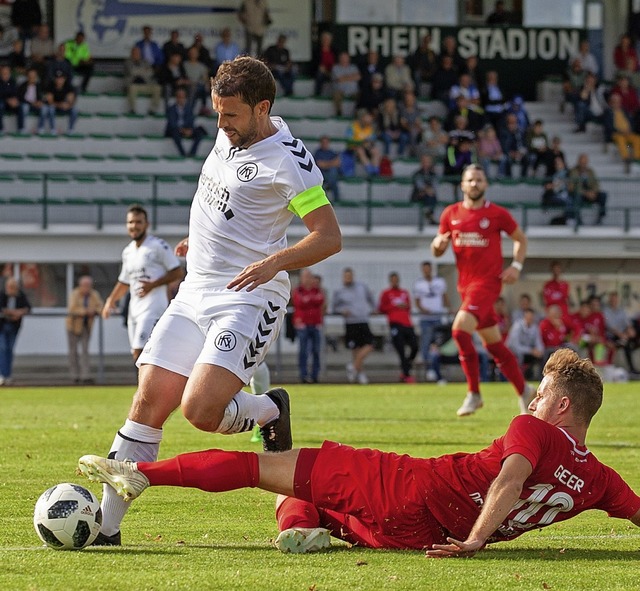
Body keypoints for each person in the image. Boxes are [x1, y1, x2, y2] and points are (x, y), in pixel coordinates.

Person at [91, 56, 342, 546]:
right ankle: (106, 528)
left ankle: (268, 409)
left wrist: (274, 262)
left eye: (230, 115)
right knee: (147, 400)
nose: (220, 124)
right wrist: (198, 243)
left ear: (261, 107)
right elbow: (219, 199)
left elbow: (328, 238)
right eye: (217, 112)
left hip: (247, 298)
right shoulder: (233, 133)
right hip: (193, 291)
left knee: (201, 411)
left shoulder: (286, 161)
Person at [79, 349, 640, 556]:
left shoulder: (535, 430)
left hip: (410, 486)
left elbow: (511, 478)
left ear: (562, 406)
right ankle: (304, 523)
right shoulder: (600, 479)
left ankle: (141, 473)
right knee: (304, 499)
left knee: (266, 470)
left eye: (542, 394)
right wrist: (475, 534)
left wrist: (474, 541)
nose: (534, 399)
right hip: (416, 536)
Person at [431, 164, 533, 417]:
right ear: (462, 185)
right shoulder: (450, 213)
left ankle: (474, 393)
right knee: (494, 346)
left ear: (485, 184)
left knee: (459, 331)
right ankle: (525, 391)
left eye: (479, 180)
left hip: (487, 284)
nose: (474, 184)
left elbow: (520, 238)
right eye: (470, 180)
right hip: (465, 287)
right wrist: (438, 244)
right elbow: (436, 250)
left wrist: (517, 266)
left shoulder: (497, 214)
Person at [102, 204, 184, 363]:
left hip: (153, 308)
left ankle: (146, 388)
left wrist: (152, 285)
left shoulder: (157, 246)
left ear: (147, 224)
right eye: (131, 222)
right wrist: (110, 300)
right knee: (139, 353)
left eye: (139, 222)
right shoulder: (128, 251)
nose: (134, 226)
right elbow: (124, 281)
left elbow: (177, 272)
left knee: (140, 352)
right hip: (134, 310)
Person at [333, 267, 376, 385]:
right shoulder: (340, 291)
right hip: (351, 323)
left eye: (350, 276)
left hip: (362, 320)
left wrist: (373, 309)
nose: (348, 278)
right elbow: (335, 307)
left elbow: (371, 299)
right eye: (346, 276)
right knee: (355, 350)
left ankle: (353, 366)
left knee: (370, 344)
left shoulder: (361, 287)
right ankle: (359, 373)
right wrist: (342, 311)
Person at [379, 272, 419, 383]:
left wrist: (404, 306)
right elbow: (381, 307)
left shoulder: (404, 292)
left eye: (396, 279)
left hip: (407, 323)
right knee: (400, 349)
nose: (395, 282)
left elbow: (409, 306)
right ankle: (406, 375)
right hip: (395, 323)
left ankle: (407, 365)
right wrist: (394, 306)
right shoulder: (386, 293)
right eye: (393, 280)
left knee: (415, 346)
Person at [413, 261, 449, 383]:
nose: (426, 271)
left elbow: (444, 297)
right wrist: (424, 310)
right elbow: (417, 301)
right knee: (426, 344)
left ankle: (436, 368)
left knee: (438, 344)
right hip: (425, 319)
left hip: (437, 317)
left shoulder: (439, 282)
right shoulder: (419, 284)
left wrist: (448, 309)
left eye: (428, 269)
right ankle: (429, 369)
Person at [66, 275, 104, 384]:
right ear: (80, 285)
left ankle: (85, 375)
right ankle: (74, 375)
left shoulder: (94, 294)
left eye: (89, 286)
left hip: (86, 326)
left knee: (85, 350)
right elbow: (72, 309)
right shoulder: (74, 294)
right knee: (73, 351)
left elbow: (100, 306)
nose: (87, 288)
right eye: (85, 286)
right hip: (73, 326)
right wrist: (85, 311)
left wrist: (94, 311)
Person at [292, 268, 325, 384]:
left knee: (316, 350)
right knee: (303, 351)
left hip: (315, 323)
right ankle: (303, 375)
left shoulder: (317, 290)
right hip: (302, 324)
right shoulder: (298, 290)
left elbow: (320, 301)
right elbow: (300, 303)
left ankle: (315, 375)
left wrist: (308, 301)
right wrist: (311, 301)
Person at [0, 277, 31, 385]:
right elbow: (2, 308)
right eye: (10, 287)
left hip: (14, 327)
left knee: (10, 350)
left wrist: (20, 312)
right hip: (2, 326)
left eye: (14, 287)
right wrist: (12, 313)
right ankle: (2, 374)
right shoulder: (2, 295)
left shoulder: (20, 295)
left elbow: (28, 308)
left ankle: (8, 375)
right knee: (3, 349)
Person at [164, 87, 207, 157]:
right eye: (179, 97)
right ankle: (182, 153)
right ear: (176, 98)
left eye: (182, 97)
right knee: (175, 133)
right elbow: (172, 123)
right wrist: (182, 130)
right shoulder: (171, 109)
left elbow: (191, 120)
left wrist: (189, 130)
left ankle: (192, 153)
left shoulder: (188, 108)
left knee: (199, 133)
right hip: (175, 130)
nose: (181, 99)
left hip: (186, 129)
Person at [603, 291, 639, 374]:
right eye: (612, 299)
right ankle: (610, 370)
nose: (614, 301)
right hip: (611, 336)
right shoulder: (606, 311)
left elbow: (627, 323)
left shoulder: (621, 310)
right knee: (617, 343)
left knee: (629, 343)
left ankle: (631, 369)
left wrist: (630, 330)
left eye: (615, 299)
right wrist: (621, 334)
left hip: (622, 336)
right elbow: (609, 326)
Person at [567, 153, 608, 225]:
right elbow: (572, 187)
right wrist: (585, 193)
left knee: (603, 195)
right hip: (581, 194)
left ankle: (601, 217)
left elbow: (596, 184)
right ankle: (578, 220)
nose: (583, 164)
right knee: (577, 198)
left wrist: (593, 192)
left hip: (591, 194)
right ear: (578, 162)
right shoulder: (573, 171)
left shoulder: (590, 171)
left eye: (585, 162)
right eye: (582, 162)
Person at [506, 307, 544, 380]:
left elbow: (539, 342)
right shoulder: (517, 326)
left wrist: (539, 351)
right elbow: (515, 346)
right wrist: (531, 351)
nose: (530, 319)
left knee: (542, 356)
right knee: (519, 356)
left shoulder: (535, 327)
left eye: (531, 317)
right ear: (524, 317)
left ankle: (539, 378)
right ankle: (518, 378)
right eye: (528, 317)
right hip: (514, 351)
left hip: (528, 352)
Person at [124, 45, 162, 115]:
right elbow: (132, 71)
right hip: (133, 85)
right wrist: (144, 71)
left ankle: (153, 109)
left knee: (157, 88)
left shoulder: (145, 62)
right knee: (132, 88)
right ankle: (132, 109)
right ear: (131, 53)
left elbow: (150, 72)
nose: (136, 54)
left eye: (138, 53)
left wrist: (139, 71)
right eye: (134, 52)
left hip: (145, 84)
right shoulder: (127, 62)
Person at [410, 154, 439, 223]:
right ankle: (429, 215)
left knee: (431, 196)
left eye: (428, 162)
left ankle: (429, 214)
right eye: (425, 161)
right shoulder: (417, 173)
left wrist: (430, 190)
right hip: (418, 195)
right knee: (428, 195)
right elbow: (419, 185)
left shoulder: (433, 174)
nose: (426, 163)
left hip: (429, 194)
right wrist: (427, 190)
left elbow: (435, 184)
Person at [331, 51, 361, 117]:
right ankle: (339, 113)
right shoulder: (335, 67)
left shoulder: (353, 67)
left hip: (354, 91)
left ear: (348, 58)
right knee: (336, 95)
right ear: (339, 58)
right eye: (342, 57)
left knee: (362, 96)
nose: (344, 59)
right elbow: (339, 79)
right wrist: (352, 77)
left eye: (345, 57)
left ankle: (357, 113)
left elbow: (358, 77)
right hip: (340, 90)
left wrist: (344, 77)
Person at [314, 135, 341, 201]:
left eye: (326, 142)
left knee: (333, 171)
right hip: (322, 174)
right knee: (332, 172)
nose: (325, 144)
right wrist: (331, 163)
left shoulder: (331, 152)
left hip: (330, 173)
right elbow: (320, 164)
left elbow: (338, 163)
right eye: (323, 142)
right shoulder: (318, 153)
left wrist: (326, 164)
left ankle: (336, 198)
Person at [0, 63, 19, 134]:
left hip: (11, 103)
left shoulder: (12, 81)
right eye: (4, 73)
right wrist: (7, 99)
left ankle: (21, 128)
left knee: (22, 106)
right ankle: (1, 128)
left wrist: (15, 99)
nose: (5, 74)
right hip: (2, 102)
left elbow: (16, 92)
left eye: (7, 73)